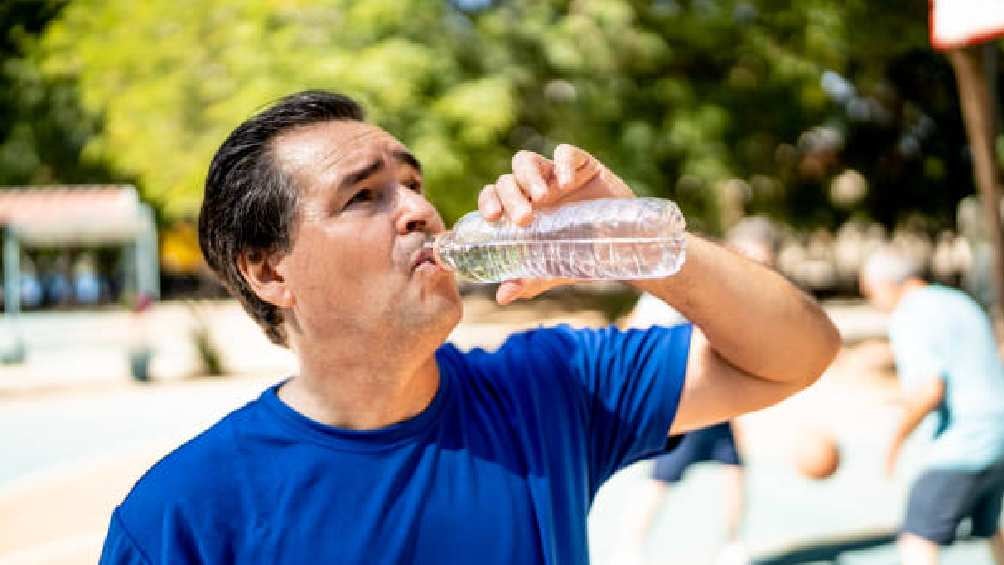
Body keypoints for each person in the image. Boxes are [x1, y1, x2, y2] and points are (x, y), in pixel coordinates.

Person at [99, 90, 840, 564]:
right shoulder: (181, 516)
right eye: (363, 196)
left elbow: (799, 353)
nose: (420, 209)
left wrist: (638, 237)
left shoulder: (548, 388)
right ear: (268, 271)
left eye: (413, 184)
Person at [626, 217, 778, 565]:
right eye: (754, 258)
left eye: (765, 262)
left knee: (734, 469)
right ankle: (629, 547)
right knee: (663, 476)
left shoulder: (741, 294)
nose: (760, 267)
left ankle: (732, 543)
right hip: (684, 398)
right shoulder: (692, 286)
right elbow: (640, 333)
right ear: (732, 250)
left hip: (716, 400)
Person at [860, 246, 1004, 565]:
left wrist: (895, 442)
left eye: (870, 292)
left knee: (917, 539)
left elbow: (930, 391)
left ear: (887, 284)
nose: (874, 302)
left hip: (962, 445)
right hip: (998, 438)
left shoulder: (909, 314)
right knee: (990, 529)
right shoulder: (959, 300)